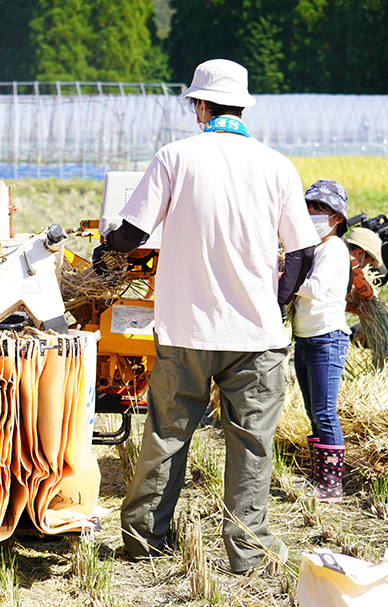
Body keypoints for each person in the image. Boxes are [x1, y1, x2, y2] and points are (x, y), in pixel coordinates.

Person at [92, 58, 320, 573]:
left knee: (169, 434)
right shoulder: (278, 165)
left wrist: (104, 254)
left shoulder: (176, 157)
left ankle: (145, 540)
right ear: (242, 107)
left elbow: (134, 235)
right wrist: (274, 305)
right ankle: (247, 550)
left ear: (200, 107)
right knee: (253, 444)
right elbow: (303, 253)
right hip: (256, 336)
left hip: (185, 331)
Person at [292, 180, 351, 503]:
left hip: (327, 338)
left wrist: (286, 275)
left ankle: (331, 486)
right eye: (309, 208)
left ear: (337, 218)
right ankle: (319, 479)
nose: (313, 214)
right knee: (314, 411)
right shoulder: (316, 248)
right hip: (306, 338)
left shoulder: (333, 249)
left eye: (320, 210)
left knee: (325, 412)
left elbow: (313, 289)